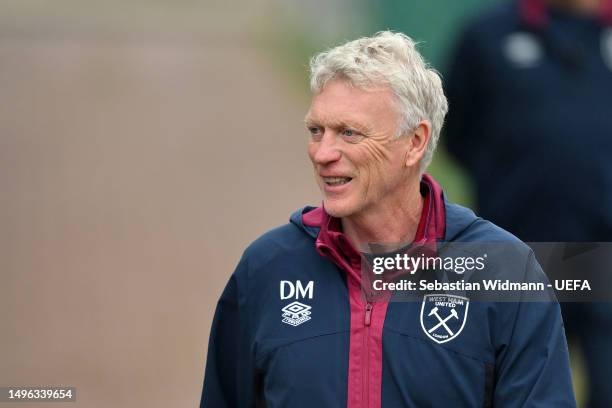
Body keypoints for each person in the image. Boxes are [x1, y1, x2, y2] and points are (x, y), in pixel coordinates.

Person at [200, 31, 576, 407]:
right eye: (317, 131)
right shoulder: (266, 268)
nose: (323, 153)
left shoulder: (506, 271)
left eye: (349, 133)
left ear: (414, 142)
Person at [444, 1, 612, 406]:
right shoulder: (486, 35)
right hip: (516, 257)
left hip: (606, 256)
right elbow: (456, 133)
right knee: (510, 392)